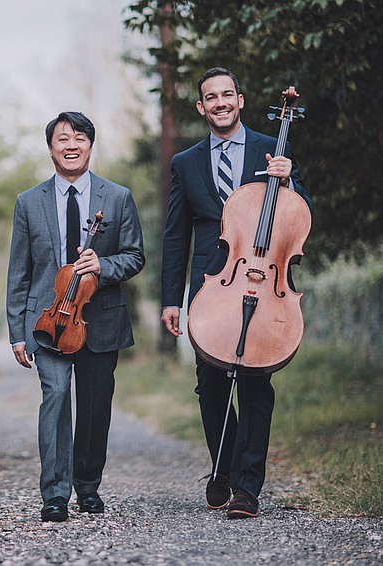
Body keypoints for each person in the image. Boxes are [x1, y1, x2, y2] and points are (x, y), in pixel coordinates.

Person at [160, 67, 312, 519]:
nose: (221, 102)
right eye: (212, 97)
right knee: (209, 385)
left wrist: (288, 180)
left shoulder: (272, 149)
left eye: (228, 94)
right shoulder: (185, 162)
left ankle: (248, 487)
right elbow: (175, 235)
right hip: (212, 286)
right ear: (201, 107)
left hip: (264, 283)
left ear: (240, 100)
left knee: (255, 383)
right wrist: (172, 298)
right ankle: (221, 469)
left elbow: (299, 209)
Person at [6, 111, 145, 522]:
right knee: (56, 396)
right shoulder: (28, 202)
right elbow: (19, 271)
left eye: (80, 137)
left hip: (99, 317)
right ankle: (54, 493)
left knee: (95, 406)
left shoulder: (117, 197)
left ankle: (87, 487)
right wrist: (17, 332)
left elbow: (135, 256)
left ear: (90, 145)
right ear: (51, 148)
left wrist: (103, 266)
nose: (71, 145)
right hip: (46, 322)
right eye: (62, 139)